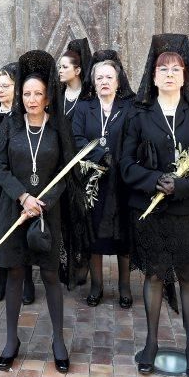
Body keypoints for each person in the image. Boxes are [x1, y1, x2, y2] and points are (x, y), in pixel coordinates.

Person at [120, 34, 189, 377]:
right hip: (152, 210)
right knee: (156, 274)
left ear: (186, 74)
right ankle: (150, 343)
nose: (170, 74)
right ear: (154, 75)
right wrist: (154, 179)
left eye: (176, 68)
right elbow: (126, 163)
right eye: (164, 69)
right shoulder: (138, 115)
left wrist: (182, 185)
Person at [0, 50, 89, 373]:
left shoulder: (58, 128)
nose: (31, 99)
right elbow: (0, 167)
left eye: (38, 94)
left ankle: (58, 341)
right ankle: (11, 340)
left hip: (48, 211)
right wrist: (23, 197)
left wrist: (43, 199)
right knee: (16, 273)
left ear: (48, 97)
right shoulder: (9, 125)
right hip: (14, 209)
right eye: (26, 94)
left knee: (49, 274)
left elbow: (67, 170)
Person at [72, 58, 135, 308]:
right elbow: (76, 139)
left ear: (118, 82)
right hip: (93, 183)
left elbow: (134, 139)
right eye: (99, 78)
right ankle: (96, 286)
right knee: (95, 234)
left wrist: (118, 160)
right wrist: (99, 156)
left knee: (123, 236)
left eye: (109, 77)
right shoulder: (84, 108)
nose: (104, 82)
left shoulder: (129, 108)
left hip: (122, 181)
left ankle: (124, 287)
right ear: (93, 82)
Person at [0, 63, 37, 305]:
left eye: (6, 85)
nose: (0, 90)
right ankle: (2, 281)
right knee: (0, 234)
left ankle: (28, 282)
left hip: (20, 183)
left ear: (16, 87)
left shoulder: (23, 116)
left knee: (23, 231)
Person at [58, 38, 91, 119]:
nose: (60, 71)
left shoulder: (88, 97)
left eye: (65, 67)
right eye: (60, 67)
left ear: (77, 71)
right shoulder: (57, 94)